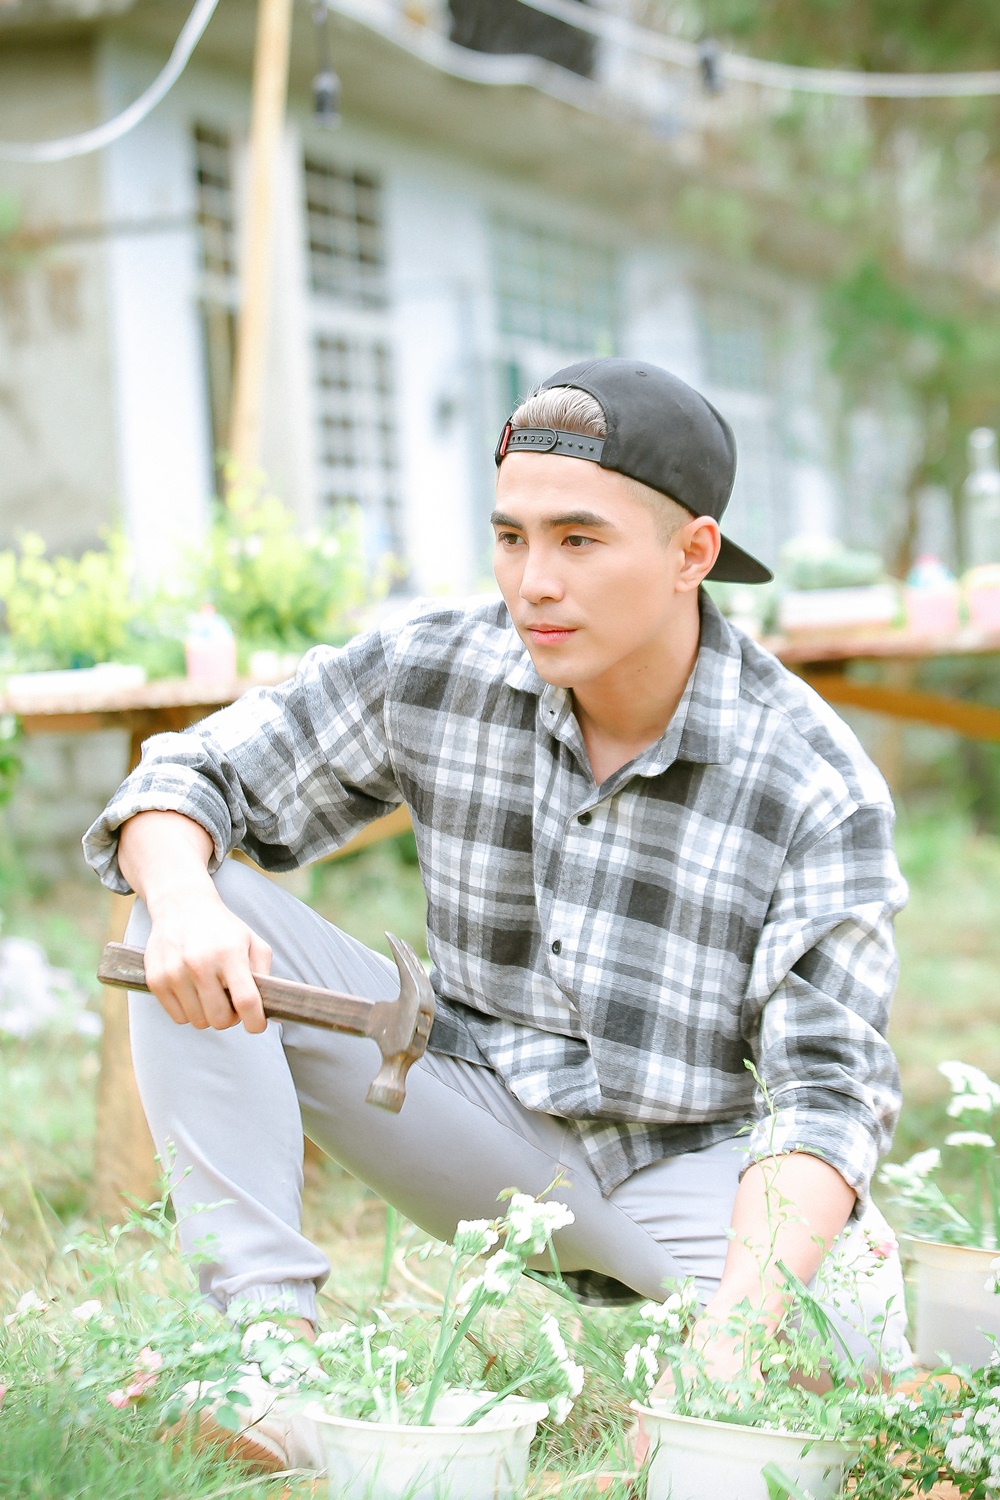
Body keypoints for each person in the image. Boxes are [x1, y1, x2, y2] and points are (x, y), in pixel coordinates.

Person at [84, 358, 910, 1466]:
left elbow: (823, 1097)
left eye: (579, 540)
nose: (534, 583)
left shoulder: (814, 780)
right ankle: (266, 1365)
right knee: (184, 900)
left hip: (696, 1161)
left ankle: (739, 1340)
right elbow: (185, 776)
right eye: (511, 537)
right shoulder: (437, 666)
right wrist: (184, 901)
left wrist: (734, 1337)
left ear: (692, 554)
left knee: (844, 1369)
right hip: (467, 1113)